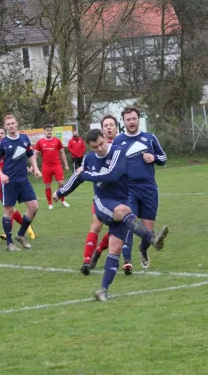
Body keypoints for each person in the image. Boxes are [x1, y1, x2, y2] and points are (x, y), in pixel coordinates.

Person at [54, 129, 169, 301]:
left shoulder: (118, 152)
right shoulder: (89, 158)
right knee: (125, 211)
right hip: (102, 201)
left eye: (101, 144)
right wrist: (61, 191)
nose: (100, 148)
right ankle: (152, 239)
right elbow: (76, 178)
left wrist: (85, 174)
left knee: (115, 247)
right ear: (90, 147)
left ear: (105, 139)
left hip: (120, 200)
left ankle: (103, 290)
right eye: (95, 147)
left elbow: (111, 176)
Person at [104, 105, 167, 273]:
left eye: (134, 118)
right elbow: (110, 164)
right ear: (123, 123)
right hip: (128, 189)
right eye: (128, 119)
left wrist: (153, 157)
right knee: (130, 224)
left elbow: (163, 158)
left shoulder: (149, 138)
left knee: (147, 230)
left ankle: (144, 249)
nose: (131, 122)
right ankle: (127, 262)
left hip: (148, 188)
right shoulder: (118, 141)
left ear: (138, 120)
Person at [0, 114, 42, 251]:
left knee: (34, 207)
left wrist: (36, 169)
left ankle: (21, 235)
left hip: (24, 181)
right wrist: (1, 175)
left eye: (13, 123)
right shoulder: (3, 143)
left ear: (17, 124)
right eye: (8, 124)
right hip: (9, 183)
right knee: (8, 211)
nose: (11, 126)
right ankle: (9, 243)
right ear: (5, 127)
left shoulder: (24, 138)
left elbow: (30, 155)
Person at [81, 115, 117, 275]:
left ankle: (100, 249)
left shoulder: (121, 146)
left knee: (117, 228)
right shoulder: (90, 157)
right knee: (96, 226)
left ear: (116, 126)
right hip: (101, 197)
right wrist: (62, 191)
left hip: (121, 195)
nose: (109, 128)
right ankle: (87, 261)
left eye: (111, 125)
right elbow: (80, 174)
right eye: (106, 125)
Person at [0, 126, 35, 240]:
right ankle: (27, 226)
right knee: (10, 208)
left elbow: (18, 158)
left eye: (1, 133)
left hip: (9, 179)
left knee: (9, 208)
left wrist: (26, 168)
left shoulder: (8, 144)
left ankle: (10, 234)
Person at [34, 124, 70, 210]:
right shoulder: (40, 142)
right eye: (47, 130)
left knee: (61, 184)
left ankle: (63, 201)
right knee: (47, 186)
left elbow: (62, 153)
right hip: (46, 167)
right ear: (44, 131)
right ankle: (50, 204)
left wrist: (66, 164)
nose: (49, 132)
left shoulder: (57, 141)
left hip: (57, 165)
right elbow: (35, 154)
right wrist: (34, 167)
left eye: (50, 130)